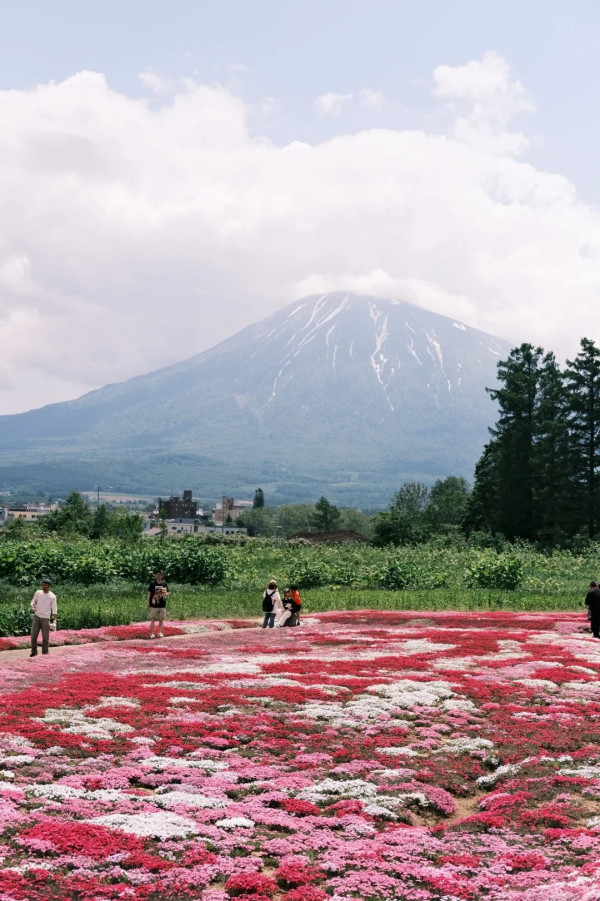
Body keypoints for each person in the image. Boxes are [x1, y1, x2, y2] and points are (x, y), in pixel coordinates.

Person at [30, 578, 57, 657]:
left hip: (46, 618)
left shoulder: (52, 596)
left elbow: (54, 609)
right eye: (42, 585)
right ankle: (34, 652)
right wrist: (33, 606)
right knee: (33, 636)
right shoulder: (38, 593)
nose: (43, 586)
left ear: (49, 586)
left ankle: (45, 652)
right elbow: (32, 602)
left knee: (45, 637)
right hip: (37, 616)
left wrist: (55, 620)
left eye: (45, 585)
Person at [147, 571, 169, 638]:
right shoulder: (152, 583)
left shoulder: (164, 583)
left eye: (160, 575)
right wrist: (148, 601)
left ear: (162, 576)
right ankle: (151, 633)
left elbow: (167, 593)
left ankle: (159, 632)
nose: (158, 576)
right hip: (154, 604)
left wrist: (163, 594)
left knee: (161, 619)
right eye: (157, 575)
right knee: (153, 619)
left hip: (162, 604)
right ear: (156, 576)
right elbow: (149, 593)